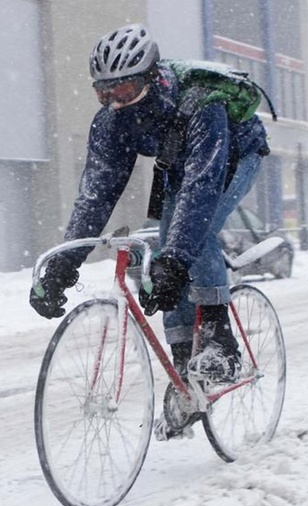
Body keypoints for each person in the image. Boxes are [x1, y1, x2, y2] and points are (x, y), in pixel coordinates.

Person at [28, 24, 270, 428]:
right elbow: (95, 196)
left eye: (123, 91)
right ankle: (185, 377)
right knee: (163, 249)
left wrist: (176, 261)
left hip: (235, 152)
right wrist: (62, 267)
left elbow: (201, 188)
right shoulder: (110, 123)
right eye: (104, 93)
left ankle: (219, 342)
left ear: (151, 78)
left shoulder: (199, 104)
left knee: (196, 232)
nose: (115, 103)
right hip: (181, 159)